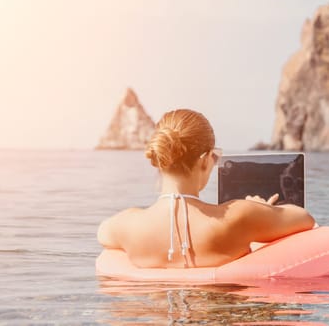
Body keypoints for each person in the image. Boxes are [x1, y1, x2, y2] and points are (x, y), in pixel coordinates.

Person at [97, 109, 315, 268]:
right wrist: (261, 209)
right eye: (215, 157)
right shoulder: (239, 216)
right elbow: (304, 218)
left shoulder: (128, 224)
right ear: (204, 160)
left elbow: (102, 234)